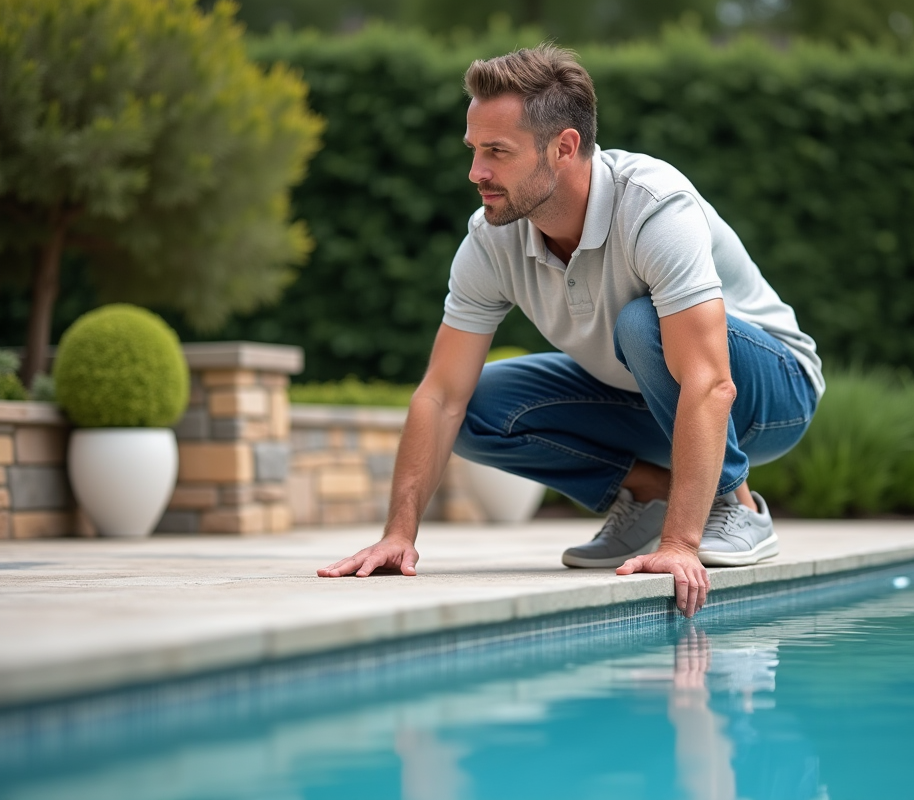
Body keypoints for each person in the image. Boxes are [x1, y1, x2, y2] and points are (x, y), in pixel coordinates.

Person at [318, 45, 823, 618]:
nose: (475, 172)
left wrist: (681, 547)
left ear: (564, 147)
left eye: (497, 152)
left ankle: (736, 510)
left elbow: (710, 383)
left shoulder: (654, 206)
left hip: (770, 393)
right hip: (653, 399)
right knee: (479, 405)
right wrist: (397, 535)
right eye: (474, 149)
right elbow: (440, 396)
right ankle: (653, 493)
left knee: (642, 322)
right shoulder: (492, 237)